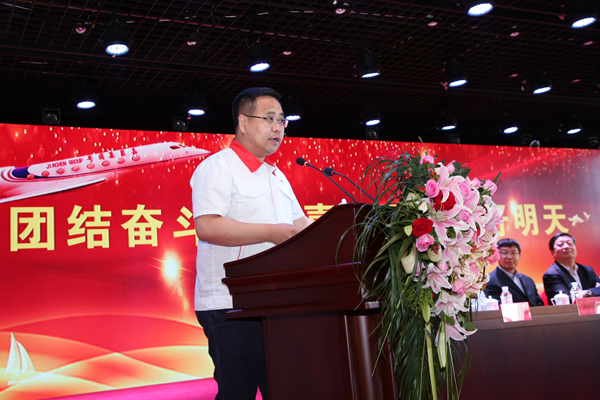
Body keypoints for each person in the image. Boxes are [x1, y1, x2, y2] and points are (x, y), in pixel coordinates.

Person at [190, 87, 312, 399]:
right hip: (231, 305)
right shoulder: (218, 167)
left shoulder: (277, 176)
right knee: (238, 393)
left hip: (275, 304)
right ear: (243, 122)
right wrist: (270, 232)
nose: (278, 128)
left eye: (282, 120)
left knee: (285, 390)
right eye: (269, 119)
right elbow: (207, 226)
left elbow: (302, 228)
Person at [484, 238, 544, 307]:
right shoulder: (489, 280)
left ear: (519, 255)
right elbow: (495, 307)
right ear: (496, 255)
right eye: (504, 252)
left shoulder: (528, 280)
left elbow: (539, 305)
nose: (509, 257)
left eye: (513, 253)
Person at [543, 232, 600, 303]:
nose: (566, 246)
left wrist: (587, 293)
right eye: (560, 244)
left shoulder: (587, 270)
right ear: (552, 252)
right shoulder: (551, 274)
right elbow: (565, 300)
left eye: (569, 243)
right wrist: (592, 292)